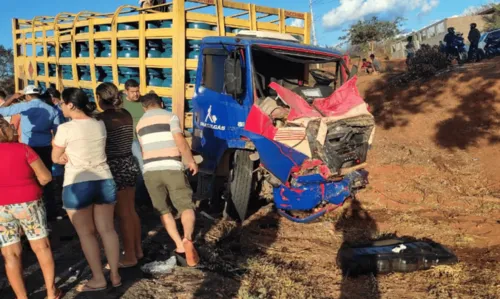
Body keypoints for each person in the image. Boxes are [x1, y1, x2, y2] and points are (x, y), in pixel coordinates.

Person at [52, 88, 121, 292]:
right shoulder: (99, 124)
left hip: (77, 182)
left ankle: (99, 278)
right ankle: (115, 274)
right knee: (107, 230)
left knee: (86, 234)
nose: (61, 106)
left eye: (62, 103)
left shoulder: (65, 129)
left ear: (71, 105)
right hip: (104, 179)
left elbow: (55, 157)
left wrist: (62, 156)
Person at [0, 117, 63, 299]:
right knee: (41, 247)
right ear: (5, 130)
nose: (14, 129)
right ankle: (52, 292)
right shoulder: (24, 149)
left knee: (10, 254)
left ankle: (21, 297)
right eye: (10, 126)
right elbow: (45, 177)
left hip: (1, 207)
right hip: (29, 202)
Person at [136, 92, 199, 267]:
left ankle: (179, 245)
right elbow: (180, 141)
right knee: (186, 206)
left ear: (144, 107)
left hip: (150, 170)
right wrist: (190, 161)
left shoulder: (139, 124)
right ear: (161, 103)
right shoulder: (170, 116)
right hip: (172, 167)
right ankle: (187, 238)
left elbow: (142, 149)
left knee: (163, 211)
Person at [96, 82, 143, 268]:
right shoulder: (126, 114)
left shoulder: (101, 119)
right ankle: (137, 249)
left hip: (114, 166)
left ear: (100, 98)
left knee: (122, 214)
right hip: (128, 163)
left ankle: (130, 256)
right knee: (130, 211)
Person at [0, 85, 63, 221]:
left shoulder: (25, 106)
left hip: (28, 149)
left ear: (27, 96)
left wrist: (12, 98)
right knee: (47, 180)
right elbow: (58, 132)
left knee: (30, 179)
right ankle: (51, 212)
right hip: (46, 148)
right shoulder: (51, 110)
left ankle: (33, 210)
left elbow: (1, 111)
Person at [121, 79, 150, 204]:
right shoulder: (121, 103)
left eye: (137, 91)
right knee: (141, 168)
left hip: (145, 138)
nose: (136, 94)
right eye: (132, 92)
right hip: (132, 140)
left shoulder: (143, 102)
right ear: (126, 91)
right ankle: (140, 198)